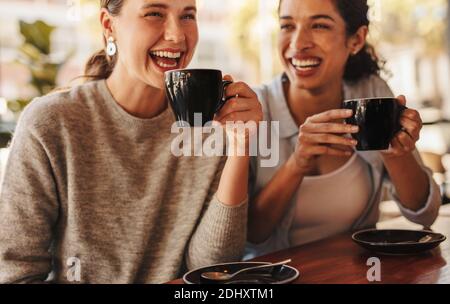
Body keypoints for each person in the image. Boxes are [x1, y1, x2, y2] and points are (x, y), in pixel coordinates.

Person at [0, 0, 262, 283]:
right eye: (154, 13)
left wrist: (239, 147)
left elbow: (210, 268)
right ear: (109, 25)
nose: (177, 35)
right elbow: (16, 272)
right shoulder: (50, 124)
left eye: (187, 15)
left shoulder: (210, 126)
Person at [245, 0, 441, 259]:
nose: (298, 43)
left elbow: (424, 213)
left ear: (356, 39)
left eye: (319, 25)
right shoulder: (254, 111)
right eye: (287, 25)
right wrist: (297, 163)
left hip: (361, 271)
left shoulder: (371, 92)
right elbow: (249, 235)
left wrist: (398, 154)